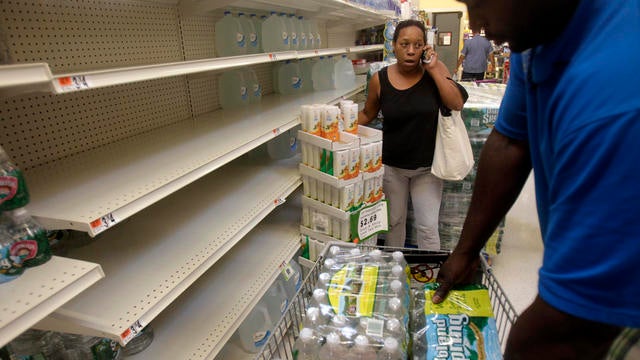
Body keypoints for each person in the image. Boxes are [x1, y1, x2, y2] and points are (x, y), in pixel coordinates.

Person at [432, 0, 640, 359]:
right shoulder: (539, 33)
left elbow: (568, 330)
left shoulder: (615, 101)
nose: (478, 24)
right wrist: (466, 250)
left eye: (479, 3)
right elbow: (511, 141)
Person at [358, 19, 468, 250]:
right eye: (404, 44)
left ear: (425, 48)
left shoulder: (435, 72)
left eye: (418, 45)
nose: (410, 50)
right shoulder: (380, 79)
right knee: (394, 223)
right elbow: (368, 114)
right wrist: (338, 125)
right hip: (392, 168)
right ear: (394, 45)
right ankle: (394, 269)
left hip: (427, 169)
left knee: (427, 227)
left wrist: (434, 69)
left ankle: (431, 277)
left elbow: (456, 103)